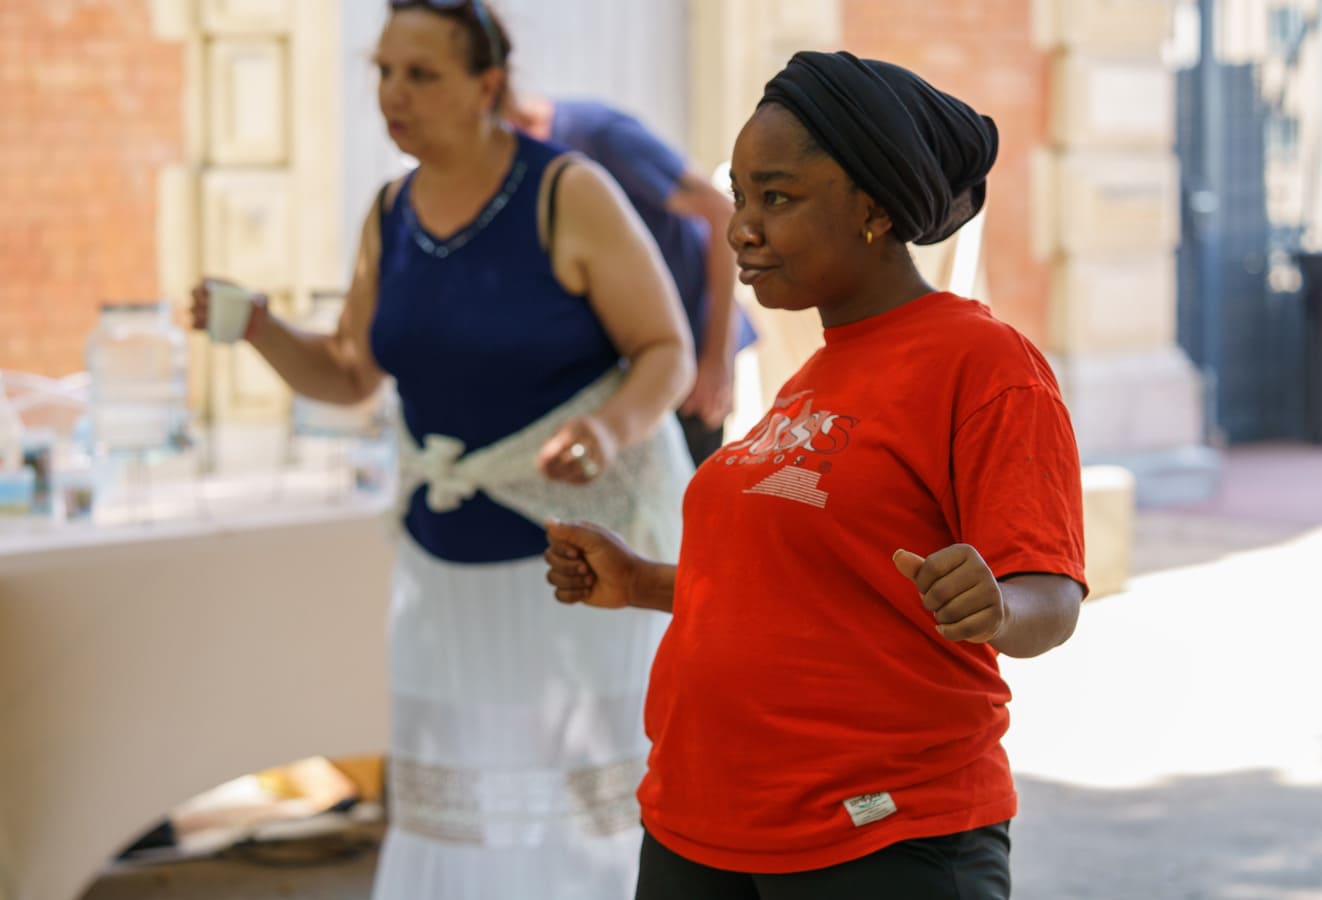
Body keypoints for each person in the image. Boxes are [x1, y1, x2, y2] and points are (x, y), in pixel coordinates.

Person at [545, 51, 1088, 900]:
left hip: (879, 833)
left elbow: (1050, 596)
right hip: (700, 824)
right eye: (739, 197)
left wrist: (1001, 607)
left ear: (872, 209)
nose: (740, 228)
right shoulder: (811, 378)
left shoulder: (983, 363)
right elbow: (806, 587)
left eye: (777, 197)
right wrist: (643, 582)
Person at [190, 2, 695, 897]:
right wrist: (261, 327)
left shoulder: (567, 192)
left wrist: (606, 430)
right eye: (383, 72)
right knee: (455, 799)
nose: (394, 94)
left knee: (578, 803)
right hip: (441, 570)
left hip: (572, 566)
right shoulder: (390, 211)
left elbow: (667, 349)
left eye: (420, 75)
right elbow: (350, 373)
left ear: (486, 85)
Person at [510, 95, 755, 465]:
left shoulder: (598, 135)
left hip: (689, 360)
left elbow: (720, 213)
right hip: (628, 372)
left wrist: (716, 359)